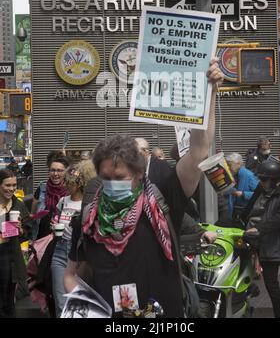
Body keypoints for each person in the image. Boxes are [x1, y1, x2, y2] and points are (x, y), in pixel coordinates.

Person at [64, 58, 223, 318]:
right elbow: (75, 275)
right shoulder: (90, 216)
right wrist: (82, 305)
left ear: (139, 173)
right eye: (105, 177)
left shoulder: (164, 194)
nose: (113, 183)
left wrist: (209, 94)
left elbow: (198, 150)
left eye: (120, 176)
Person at [245, 160, 280, 318]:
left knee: (271, 284)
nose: (261, 183)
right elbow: (250, 206)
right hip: (251, 236)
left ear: (274, 179)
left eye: (264, 179)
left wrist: (259, 229)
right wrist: (237, 221)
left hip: (272, 240)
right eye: (260, 179)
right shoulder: (263, 186)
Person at [51, 160, 96, 317]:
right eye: (66, 182)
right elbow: (57, 218)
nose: (66, 185)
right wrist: (54, 224)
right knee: (60, 301)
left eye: (69, 183)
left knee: (78, 301)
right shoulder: (63, 201)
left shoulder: (87, 204)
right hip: (59, 249)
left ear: (79, 184)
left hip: (77, 252)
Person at [0, 169, 32, 317]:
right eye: (8, 185)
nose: (12, 189)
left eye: (14, 185)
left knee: (8, 301)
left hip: (11, 257)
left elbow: (28, 231)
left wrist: (20, 230)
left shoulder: (18, 205)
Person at [31, 154, 71, 240]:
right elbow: (33, 215)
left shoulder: (71, 191)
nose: (55, 174)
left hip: (62, 240)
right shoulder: (41, 188)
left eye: (60, 170)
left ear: (66, 172)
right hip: (41, 239)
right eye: (52, 170)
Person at [226, 152, 259, 222]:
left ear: (238, 164)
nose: (228, 168)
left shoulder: (249, 175)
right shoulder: (233, 175)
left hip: (245, 212)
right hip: (234, 212)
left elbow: (259, 194)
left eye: (229, 165)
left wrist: (243, 194)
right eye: (227, 165)